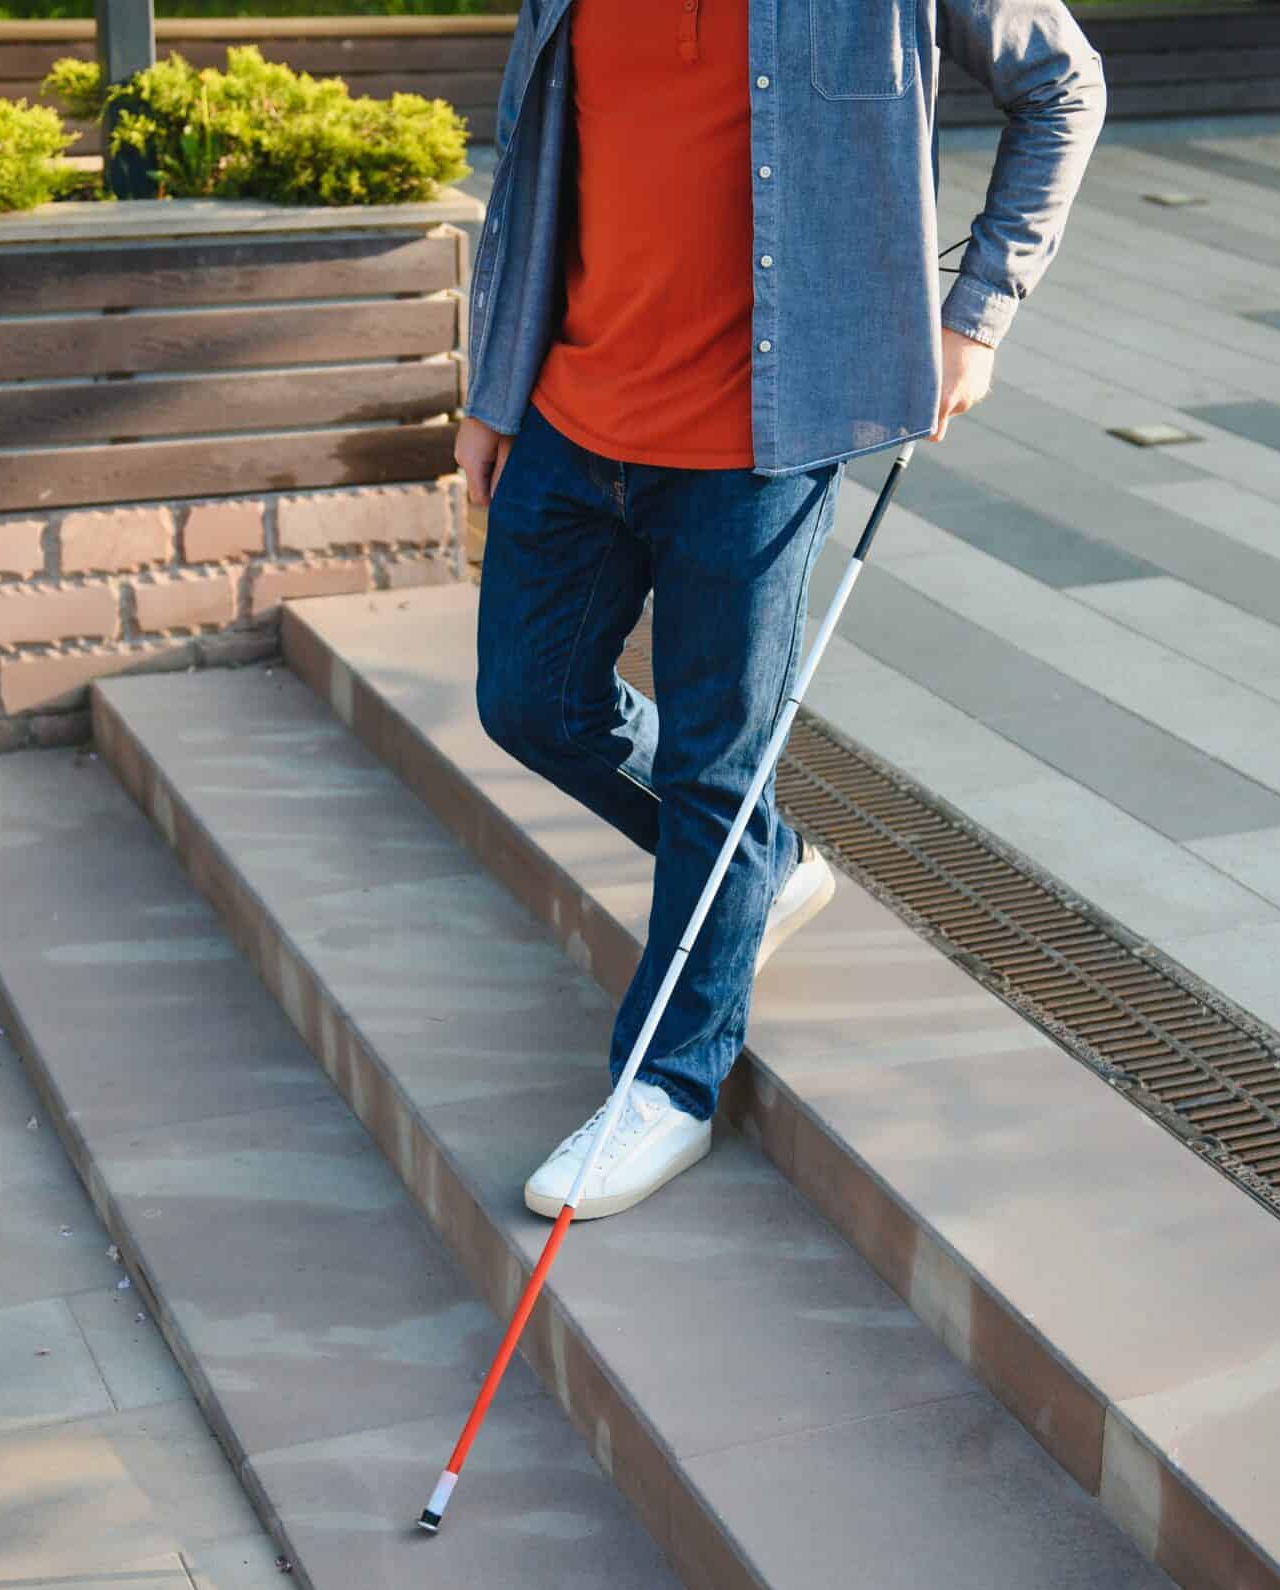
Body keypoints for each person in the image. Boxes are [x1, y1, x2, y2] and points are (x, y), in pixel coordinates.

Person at [458, 0, 1106, 1221]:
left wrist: (976, 312)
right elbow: (532, 158)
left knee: (716, 762)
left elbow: (1063, 86)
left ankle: (667, 1084)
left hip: (760, 442)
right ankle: (763, 868)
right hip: (571, 410)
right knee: (527, 702)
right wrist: (493, 386)